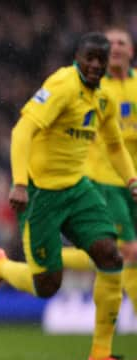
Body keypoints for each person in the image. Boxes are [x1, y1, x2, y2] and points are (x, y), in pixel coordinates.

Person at [0, 32, 137, 360]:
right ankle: (0, 266)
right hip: (40, 194)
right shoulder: (62, 86)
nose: (94, 64)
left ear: (107, 64)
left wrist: (132, 179)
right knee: (47, 284)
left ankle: (100, 355)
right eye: (88, 57)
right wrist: (20, 183)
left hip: (78, 189)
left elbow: (114, 144)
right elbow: (22, 131)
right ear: (78, 56)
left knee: (111, 255)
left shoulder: (103, 97)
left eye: (100, 59)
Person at [61, 27, 137, 317]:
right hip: (103, 180)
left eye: (122, 42)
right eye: (110, 43)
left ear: (131, 51)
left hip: (132, 180)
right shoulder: (91, 86)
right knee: (127, 251)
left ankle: (43, 260)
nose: (115, 47)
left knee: (115, 252)